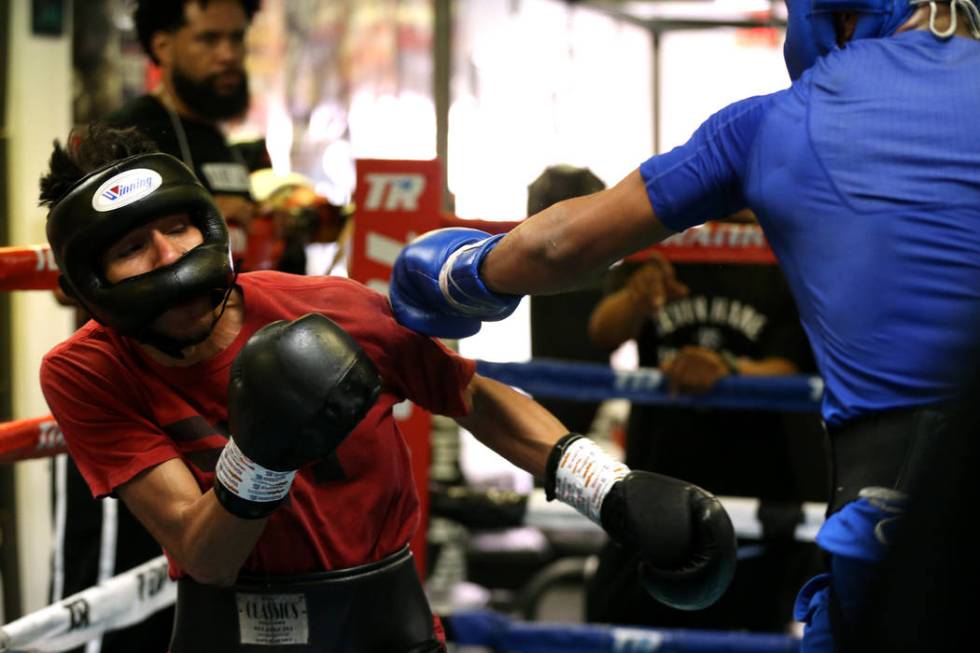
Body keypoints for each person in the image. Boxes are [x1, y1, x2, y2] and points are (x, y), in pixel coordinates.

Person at [388, 1, 980, 650]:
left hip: (891, 522)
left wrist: (460, 274)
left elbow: (560, 246)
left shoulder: (781, 121)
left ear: (837, 15)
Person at [37, 126, 737, 652]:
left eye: (177, 226)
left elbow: (469, 394)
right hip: (232, 629)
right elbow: (204, 553)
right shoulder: (87, 370)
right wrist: (263, 453)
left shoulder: (324, 307)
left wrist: (607, 487)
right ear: (92, 283)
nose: (170, 257)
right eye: (132, 247)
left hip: (386, 621)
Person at [53, 5, 263, 649]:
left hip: (223, 386)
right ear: (164, 45)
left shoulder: (221, 138)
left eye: (236, 39)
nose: (228, 54)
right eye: (209, 39)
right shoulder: (131, 135)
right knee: (124, 604)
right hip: (142, 402)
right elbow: (92, 274)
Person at [585, 234, 824, 632]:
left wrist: (726, 369)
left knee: (743, 631)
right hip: (657, 477)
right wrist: (636, 298)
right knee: (619, 619)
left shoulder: (783, 242)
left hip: (755, 487)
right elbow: (603, 330)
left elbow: (794, 366)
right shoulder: (665, 235)